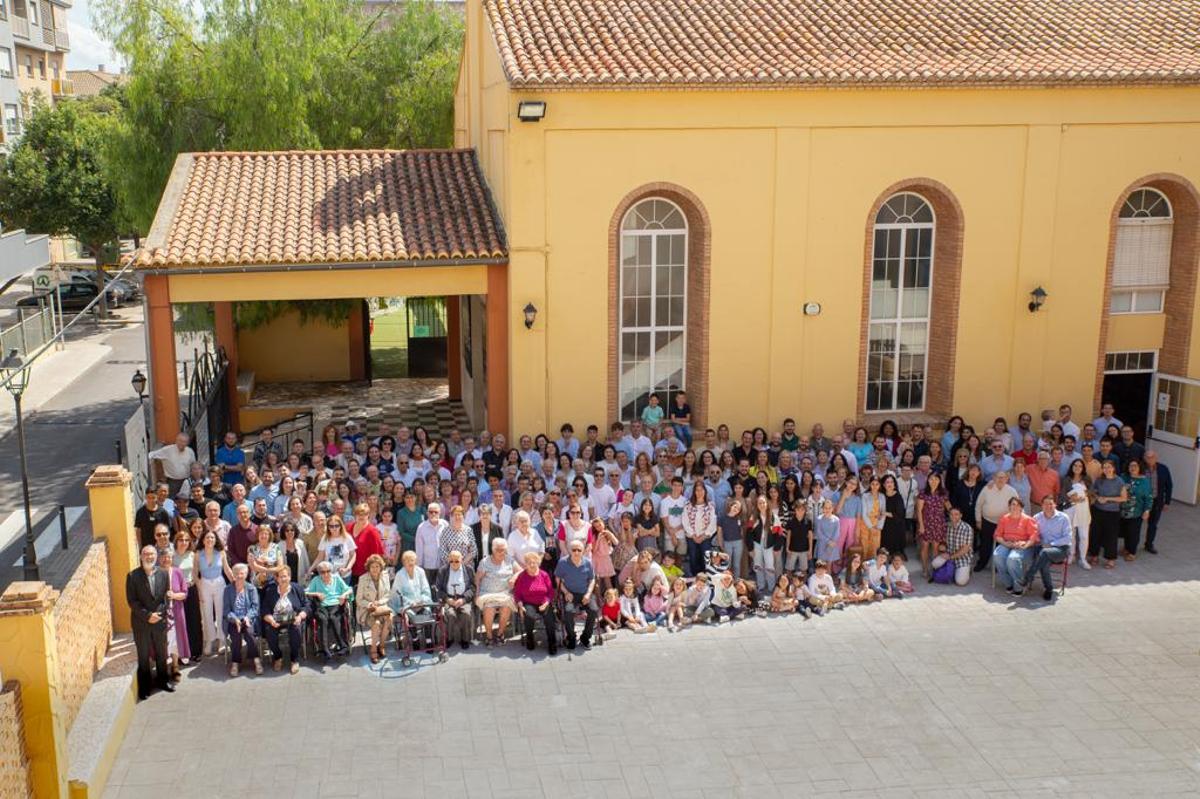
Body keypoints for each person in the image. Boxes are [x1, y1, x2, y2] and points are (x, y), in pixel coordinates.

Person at [127, 545, 175, 700]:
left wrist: (159, 614)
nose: (149, 557)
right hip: (141, 623)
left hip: (159, 621)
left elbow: (166, 597)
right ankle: (145, 687)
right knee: (143, 655)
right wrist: (148, 615)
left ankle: (163, 681)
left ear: (156, 556)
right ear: (141, 556)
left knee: (162, 653)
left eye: (152, 554)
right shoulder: (132, 576)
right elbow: (132, 602)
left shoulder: (163, 573)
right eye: (146, 554)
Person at [260, 567, 310, 673]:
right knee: (269, 630)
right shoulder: (271, 591)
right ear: (276, 578)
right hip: (276, 619)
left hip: (293, 618)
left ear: (290, 577)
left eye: (285, 576)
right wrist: (271, 620)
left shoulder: (297, 588)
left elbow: (306, 605)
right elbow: (264, 609)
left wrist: (300, 616)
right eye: (280, 576)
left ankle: (294, 659)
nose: (283, 579)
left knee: (296, 629)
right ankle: (278, 657)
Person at [1024, 495, 1072, 601]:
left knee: (1044, 553)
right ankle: (1049, 589)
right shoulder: (1037, 517)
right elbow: (1033, 534)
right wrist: (1036, 540)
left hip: (1060, 549)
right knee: (1043, 560)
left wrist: (1051, 544)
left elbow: (1068, 538)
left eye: (1051, 503)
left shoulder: (1063, 517)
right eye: (1046, 504)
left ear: (1055, 505)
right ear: (1042, 505)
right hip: (1042, 548)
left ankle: (1028, 576)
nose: (1048, 506)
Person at [555, 539, 598, 649]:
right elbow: (558, 578)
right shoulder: (563, 562)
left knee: (593, 610)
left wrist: (588, 593)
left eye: (579, 550)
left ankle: (585, 638)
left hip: (584, 593)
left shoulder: (587, 562)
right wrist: (566, 592)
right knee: (568, 612)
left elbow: (592, 579)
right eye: (574, 550)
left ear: (583, 551)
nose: (576, 552)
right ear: (570, 550)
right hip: (570, 594)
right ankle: (571, 637)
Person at [992, 497, 1040, 595]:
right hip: (1007, 543)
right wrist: (1005, 543)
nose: (1014, 506)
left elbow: (1034, 537)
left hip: (1023, 546)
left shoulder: (1028, 520)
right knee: (997, 556)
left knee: (1012, 559)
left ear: (1021, 507)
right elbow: (997, 535)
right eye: (1012, 504)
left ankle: (1019, 586)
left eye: (1017, 505)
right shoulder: (1004, 518)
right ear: (1009, 506)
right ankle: (1008, 583)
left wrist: (1025, 544)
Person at [305, 561, 353, 657]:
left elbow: (349, 589)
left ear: (331, 571)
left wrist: (343, 595)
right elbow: (305, 592)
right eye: (323, 572)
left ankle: (343, 646)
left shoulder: (336, 578)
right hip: (321, 605)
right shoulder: (316, 580)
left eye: (328, 571)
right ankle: (324, 649)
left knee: (333, 618)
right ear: (319, 573)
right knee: (323, 619)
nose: (326, 574)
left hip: (336, 604)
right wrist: (316, 594)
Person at [514, 551, 558, 654]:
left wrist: (546, 603)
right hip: (528, 602)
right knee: (529, 615)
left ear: (538, 563)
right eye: (529, 562)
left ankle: (552, 642)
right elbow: (517, 594)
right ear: (526, 564)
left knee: (549, 618)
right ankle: (529, 638)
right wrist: (520, 605)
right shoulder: (522, 576)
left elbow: (551, 592)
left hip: (544, 602)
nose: (532, 564)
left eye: (534, 562)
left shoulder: (544, 575)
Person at [475, 538, 518, 645]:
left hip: (504, 593)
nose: (501, 552)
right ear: (493, 550)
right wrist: (476, 593)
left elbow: (521, 572)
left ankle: (500, 634)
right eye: (498, 550)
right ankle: (489, 636)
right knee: (489, 608)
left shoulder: (510, 560)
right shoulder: (485, 562)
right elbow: (477, 578)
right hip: (488, 593)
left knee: (506, 607)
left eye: (503, 549)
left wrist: (514, 577)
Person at [222, 563, 263, 676]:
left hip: (248, 618)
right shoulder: (227, 590)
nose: (239, 576)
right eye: (237, 573)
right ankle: (235, 662)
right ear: (233, 575)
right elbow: (226, 610)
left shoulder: (251, 588)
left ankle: (256, 660)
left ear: (246, 574)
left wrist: (247, 617)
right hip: (233, 620)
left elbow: (255, 607)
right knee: (235, 636)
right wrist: (235, 619)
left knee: (250, 634)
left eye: (242, 573)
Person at [158, 547, 191, 680]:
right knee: (164, 640)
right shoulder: (157, 573)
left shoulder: (178, 572)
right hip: (162, 612)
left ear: (172, 558)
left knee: (176, 638)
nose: (166, 559)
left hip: (177, 610)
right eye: (164, 557)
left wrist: (174, 595)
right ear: (159, 559)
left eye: (169, 557)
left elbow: (185, 593)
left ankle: (175, 666)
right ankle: (164, 668)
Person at [1088, 459, 1127, 569]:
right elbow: (1092, 492)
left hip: (1112, 513)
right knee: (1095, 534)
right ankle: (1094, 555)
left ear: (1113, 468)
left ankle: (1110, 559)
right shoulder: (1099, 480)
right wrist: (1097, 497)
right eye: (1104, 467)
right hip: (1098, 511)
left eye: (1109, 467)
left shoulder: (1119, 481)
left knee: (1111, 536)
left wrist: (1107, 499)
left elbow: (1124, 498)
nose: (1107, 469)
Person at [355, 554, 394, 663]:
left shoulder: (385, 576)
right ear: (369, 567)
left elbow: (388, 595)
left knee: (390, 618)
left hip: (381, 607)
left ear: (381, 567)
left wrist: (379, 602)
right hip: (367, 610)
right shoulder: (362, 578)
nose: (375, 569)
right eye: (372, 567)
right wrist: (370, 604)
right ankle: (373, 649)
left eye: (377, 566)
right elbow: (358, 599)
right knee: (376, 624)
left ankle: (381, 645)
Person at [436, 550, 476, 649]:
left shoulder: (469, 569)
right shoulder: (443, 570)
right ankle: (449, 638)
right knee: (450, 614)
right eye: (451, 561)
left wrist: (463, 600)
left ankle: (465, 639)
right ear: (448, 561)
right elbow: (438, 588)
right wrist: (447, 599)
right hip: (449, 599)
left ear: (461, 560)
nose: (454, 563)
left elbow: (473, 587)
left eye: (456, 561)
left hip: (463, 599)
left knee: (466, 614)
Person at [681, 481, 717, 577]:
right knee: (693, 558)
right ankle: (695, 578)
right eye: (697, 490)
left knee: (705, 558)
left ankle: (706, 579)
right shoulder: (688, 505)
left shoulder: (710, 505)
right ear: (694, 492)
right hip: (692, 537)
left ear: (705, 491)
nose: (699, 492)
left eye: (701, 490)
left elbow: (713, 522)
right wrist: (693, 535)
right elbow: (685, 521)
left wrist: (704, 536)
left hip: (705, 537)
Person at [1119, 459, 1152, 562]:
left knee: (1133, 532)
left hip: (1136, 512)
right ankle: (1126, 548)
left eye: (1135, 466)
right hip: (1122, 510)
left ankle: (1132, 552)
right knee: (1125, 530)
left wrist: (1147, 510)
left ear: (1139, 467)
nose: (1132, 468)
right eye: (1130, 466)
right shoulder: (1123, 477)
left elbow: (1148, 497)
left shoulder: (1144, 481)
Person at [1143, 450, 1173, 555]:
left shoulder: (1163, 469)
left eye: (1152, 457)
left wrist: (1167, 502)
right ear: (1144, 458)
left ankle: (1149, 544)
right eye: (1147, 457)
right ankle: (1130, 545)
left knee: (1153, 524)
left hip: (1156, 501)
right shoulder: (1140, 468)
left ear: (1156, 458)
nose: (1149, 459)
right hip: (1142, 501)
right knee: (1136, 524)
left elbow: (1169, 485)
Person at [149, 433, 197, 497]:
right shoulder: (168, 450)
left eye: (184, 442)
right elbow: (152, 454)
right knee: (171, 500)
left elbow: (193, 465)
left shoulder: (190, 452)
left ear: (187, 443)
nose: (182, 443)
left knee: (186, 499)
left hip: (186, 480)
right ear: (176, 441)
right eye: (180, 441)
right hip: (172, 482)